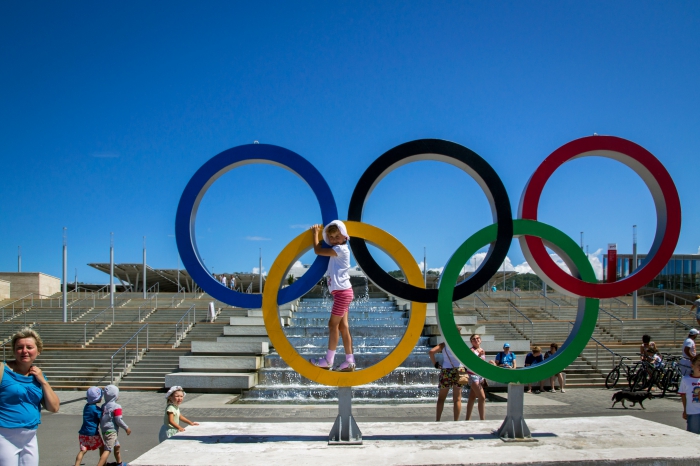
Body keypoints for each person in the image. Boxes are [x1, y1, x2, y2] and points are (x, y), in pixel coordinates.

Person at [0, 328, 60, 466]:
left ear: (38, 351)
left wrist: (43, 381)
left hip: (30, 436)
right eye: (19, 347)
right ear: (14, 351)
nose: (24, 351)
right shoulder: (2, 370)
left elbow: (54, 407)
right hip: (4, 435)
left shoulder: (38, 376)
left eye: (29, 347)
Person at [309, 221, 355, 371]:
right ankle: (349, 361)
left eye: (337, 236)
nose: (334, 239)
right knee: (343, 327)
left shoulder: (340, 249)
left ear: (344, 236)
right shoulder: (340, 249)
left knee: (332, 325)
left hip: (342, 293)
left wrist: (315, 234)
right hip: (343, 292)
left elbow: (317, 250)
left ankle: (329, 360)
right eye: (332, 237)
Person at [429, 332, 464, 421]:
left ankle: (438, 420)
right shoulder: (460, 344)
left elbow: (431, 352)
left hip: (446, 370)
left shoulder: (444, 344)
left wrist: (436, 364)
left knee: (441, 398)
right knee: (457, 399)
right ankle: (456, 421)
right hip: (459, 370)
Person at [97, 385, 131, 466]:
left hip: (105, 431)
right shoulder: (117, 407)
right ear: (115, 395)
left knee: (117, 446)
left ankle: (119, 463)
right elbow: (118, 419)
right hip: (112, 431)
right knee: (108, 449)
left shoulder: (103, 406)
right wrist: (126, 428)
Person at [74, 387, 104, 466]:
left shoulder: (86, 407)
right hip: (93, 433)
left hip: (83, 433)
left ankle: (76, 464)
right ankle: (103, 463)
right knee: (102, 447)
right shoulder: (97, 409)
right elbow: (102, 418)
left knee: (83, 450)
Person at [465, 334, 487, 421]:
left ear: (480, 340)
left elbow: (482, 364)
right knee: (482, 397)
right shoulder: (471, 350)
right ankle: (482, 419)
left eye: (478, 338)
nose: (476, 340)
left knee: (472, 397)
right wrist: (478, 356)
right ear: (471, 342)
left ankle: (467, 419)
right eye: (474, 339)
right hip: (472, 375)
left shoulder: (482, 350)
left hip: (479, 375)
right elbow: (471, 363)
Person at [679, 354, 700, 434]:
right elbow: (683, 395)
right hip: (693, 411)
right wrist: (685, 410)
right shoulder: (686, 380)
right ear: (692, 366)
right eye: (699, 365)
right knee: (693, 435)